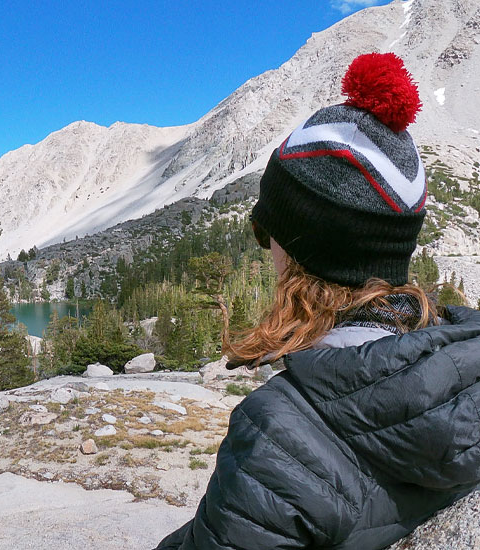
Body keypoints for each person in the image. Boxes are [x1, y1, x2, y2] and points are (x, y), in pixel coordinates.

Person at [154, 52, 480, 550]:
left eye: (270, 233)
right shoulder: (465, 367)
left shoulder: (277, 434)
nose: (267, 251)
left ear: (300, 249)